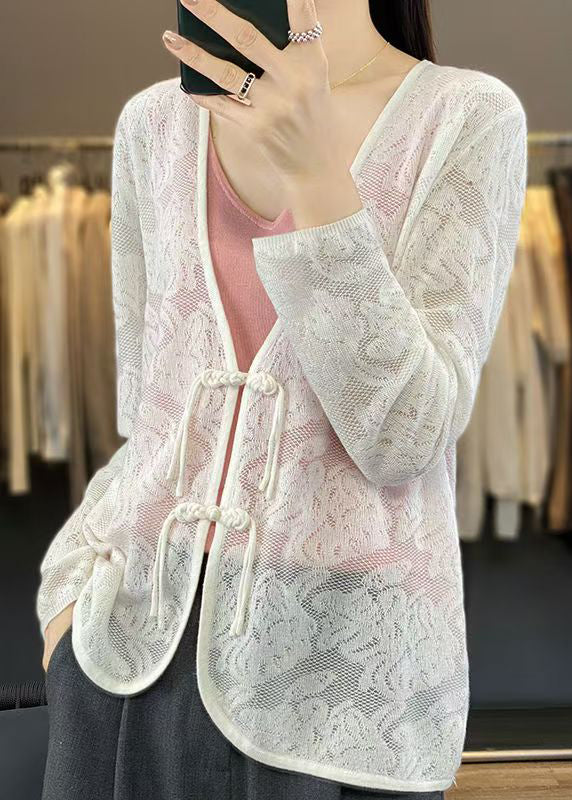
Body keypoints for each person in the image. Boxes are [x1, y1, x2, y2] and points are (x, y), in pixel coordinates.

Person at [38, 0, 528, 798]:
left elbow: (406, 438)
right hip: (124, 661)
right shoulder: (154, 125)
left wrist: (316, 175)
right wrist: (66, 592)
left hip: (339, 687)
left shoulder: (465, 117)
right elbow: (148, 417)